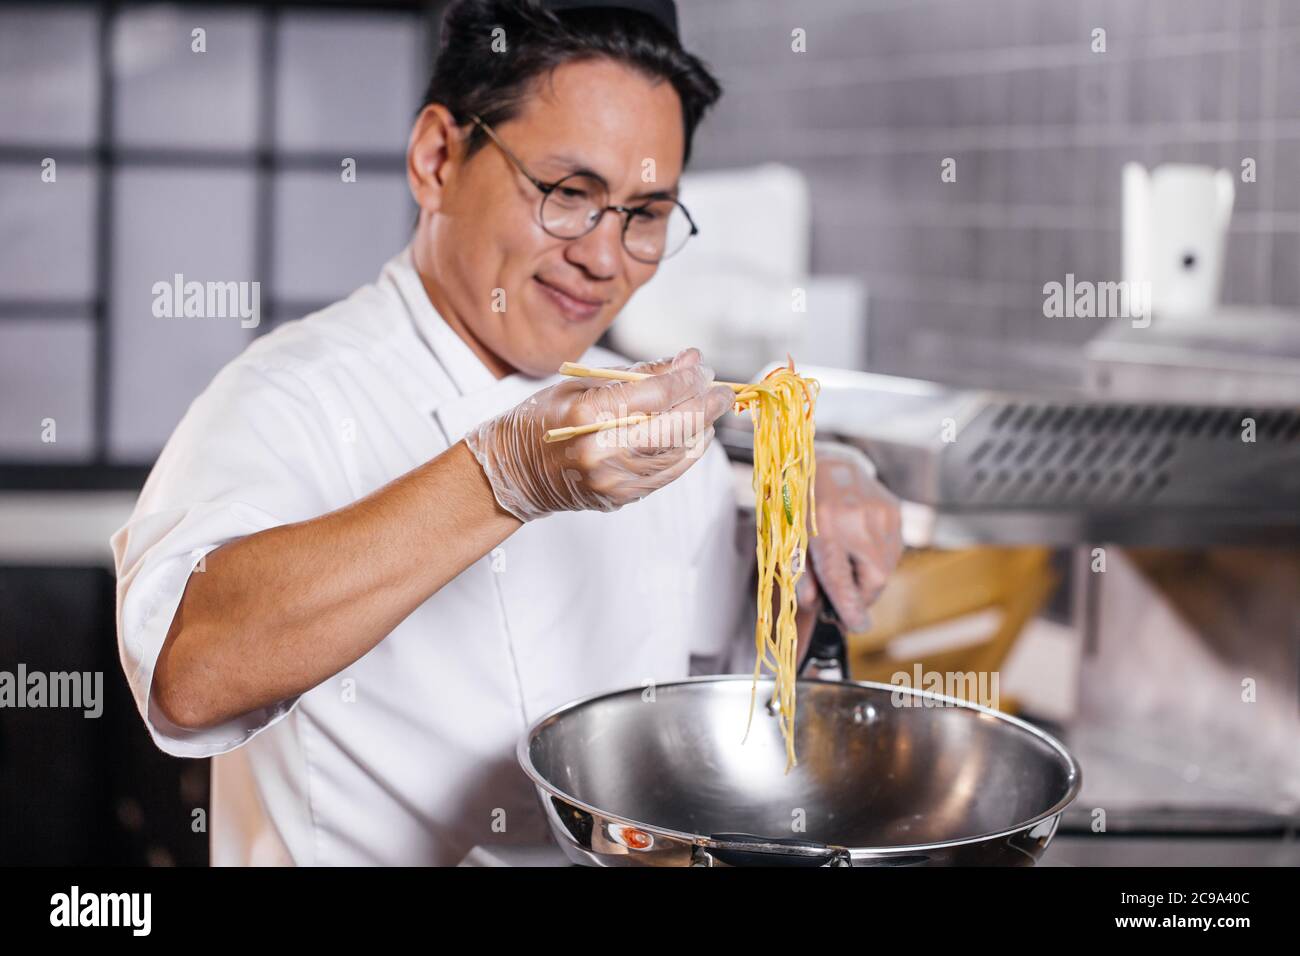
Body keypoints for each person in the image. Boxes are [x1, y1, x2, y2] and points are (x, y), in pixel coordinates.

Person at [111, 0, 902, 866]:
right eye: (569, 195)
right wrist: (504, 477)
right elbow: (187, 673)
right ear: (437, 158)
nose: (605, 259)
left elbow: (715, 704)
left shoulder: (640, 413)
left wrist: (814, 488)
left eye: (644, 215)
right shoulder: (290, 396)